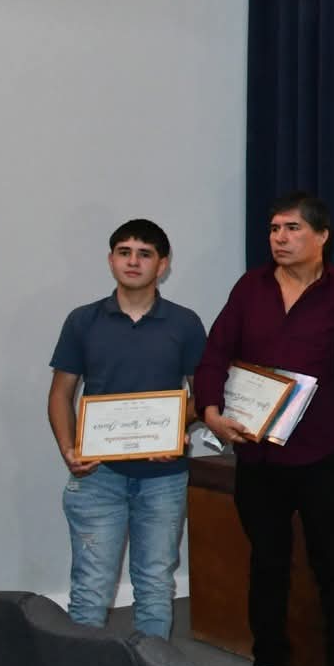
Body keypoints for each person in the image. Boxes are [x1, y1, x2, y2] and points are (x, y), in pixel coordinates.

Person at [193, 192, 334, 666]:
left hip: (322, 456)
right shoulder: (250, 288)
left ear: (321, 236)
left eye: (291, 229)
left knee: (332, 566)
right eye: (273, 230)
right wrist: (211, 412)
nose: (280, 239)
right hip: (258, 456)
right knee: (266, 563)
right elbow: (214, 355)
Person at [45, 219, 207, 640]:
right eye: (124, 252)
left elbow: (202, 397)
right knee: (90, 589)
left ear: (163, 265)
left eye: (145, 253)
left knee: (155, 585)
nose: (133, 261)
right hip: (98, 474)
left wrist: (174, 431)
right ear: (111, 259)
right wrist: (68, 449)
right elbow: (61, 394)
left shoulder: (185, 324)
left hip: (164, 477)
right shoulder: (83, 321)